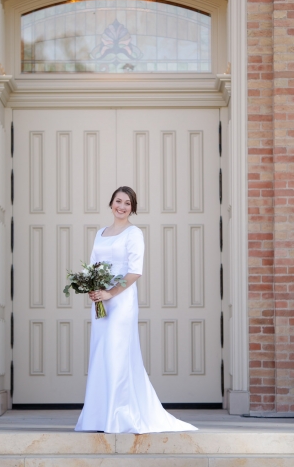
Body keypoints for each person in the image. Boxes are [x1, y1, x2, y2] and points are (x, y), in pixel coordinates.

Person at [75, 186, 197, 434]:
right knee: (100, 354)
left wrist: (111, 292)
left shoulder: (134, 233)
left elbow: (135, 271)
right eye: (118, 201)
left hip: (121, 302)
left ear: (132, 208)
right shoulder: (100, 233)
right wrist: (93, 289)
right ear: (111, 203)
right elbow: (93, 266)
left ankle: (118, 416)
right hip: (101, 302)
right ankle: (99, 417)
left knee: (117, 354)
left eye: (127, 203)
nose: (122, 206)